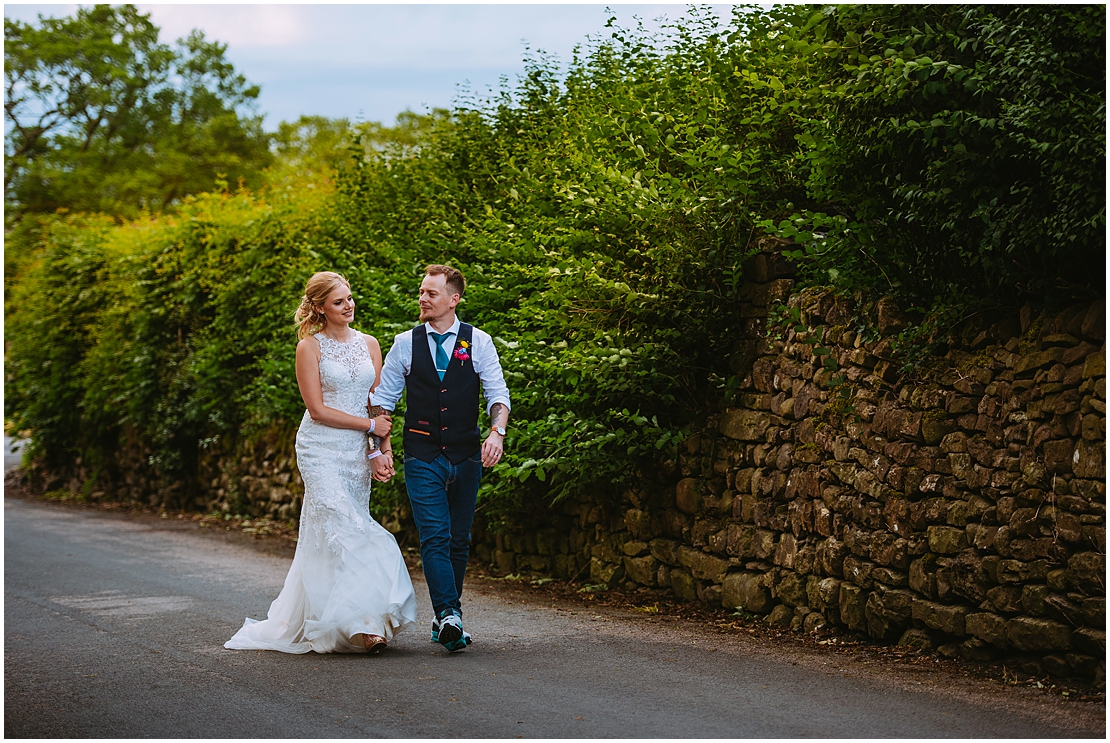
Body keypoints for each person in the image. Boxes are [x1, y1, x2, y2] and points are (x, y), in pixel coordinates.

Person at [225, 271, 417, 654]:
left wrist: (382, 450)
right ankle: (366, 625)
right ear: (319, 308)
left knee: (331, 535)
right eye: (338, 302)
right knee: (349, 527)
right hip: (320, 449)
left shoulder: (370, 344)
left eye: (349, 298)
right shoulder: (309, 348)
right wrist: (370, 426)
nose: (349, 306)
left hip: (356, 453)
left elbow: (377, 404)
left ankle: (337, 616)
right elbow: (316, 410)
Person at [373, 264, 510, 652]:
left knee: (459, 541)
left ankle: (443, 618)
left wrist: (496, 433)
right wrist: (378, 448)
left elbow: (497, 395)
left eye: (431, 293)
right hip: (421, 453)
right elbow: (383, 402)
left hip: (466, 455)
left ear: (454, 299)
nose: (422, 299)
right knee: (435, 536)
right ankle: (450, 614)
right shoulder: (406, 343)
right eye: (421, 292)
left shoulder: (477, 342)